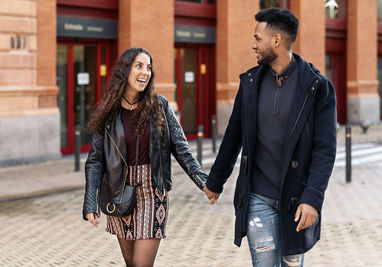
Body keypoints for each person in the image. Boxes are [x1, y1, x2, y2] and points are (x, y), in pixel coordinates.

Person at [203, 8, 337, 267]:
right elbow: (233, 136)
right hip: (257, 198)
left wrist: (313, 198)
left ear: (276, 40)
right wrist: (215, 182)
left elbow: (325, 149)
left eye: (258, 38)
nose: (253, 45)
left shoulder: (316, 86)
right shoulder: (250, 83)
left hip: (297, 200)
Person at [82, 47, 208, 267]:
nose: (145, 72)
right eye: (139, 66)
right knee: (131, 263)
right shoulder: (108, 111)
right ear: (125, 71)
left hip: (152, 191)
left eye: (148, 67)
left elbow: (181, 149)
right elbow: (95, 160)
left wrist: (204, 182)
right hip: (119, 191)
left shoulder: (159, 106)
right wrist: (90, 203)